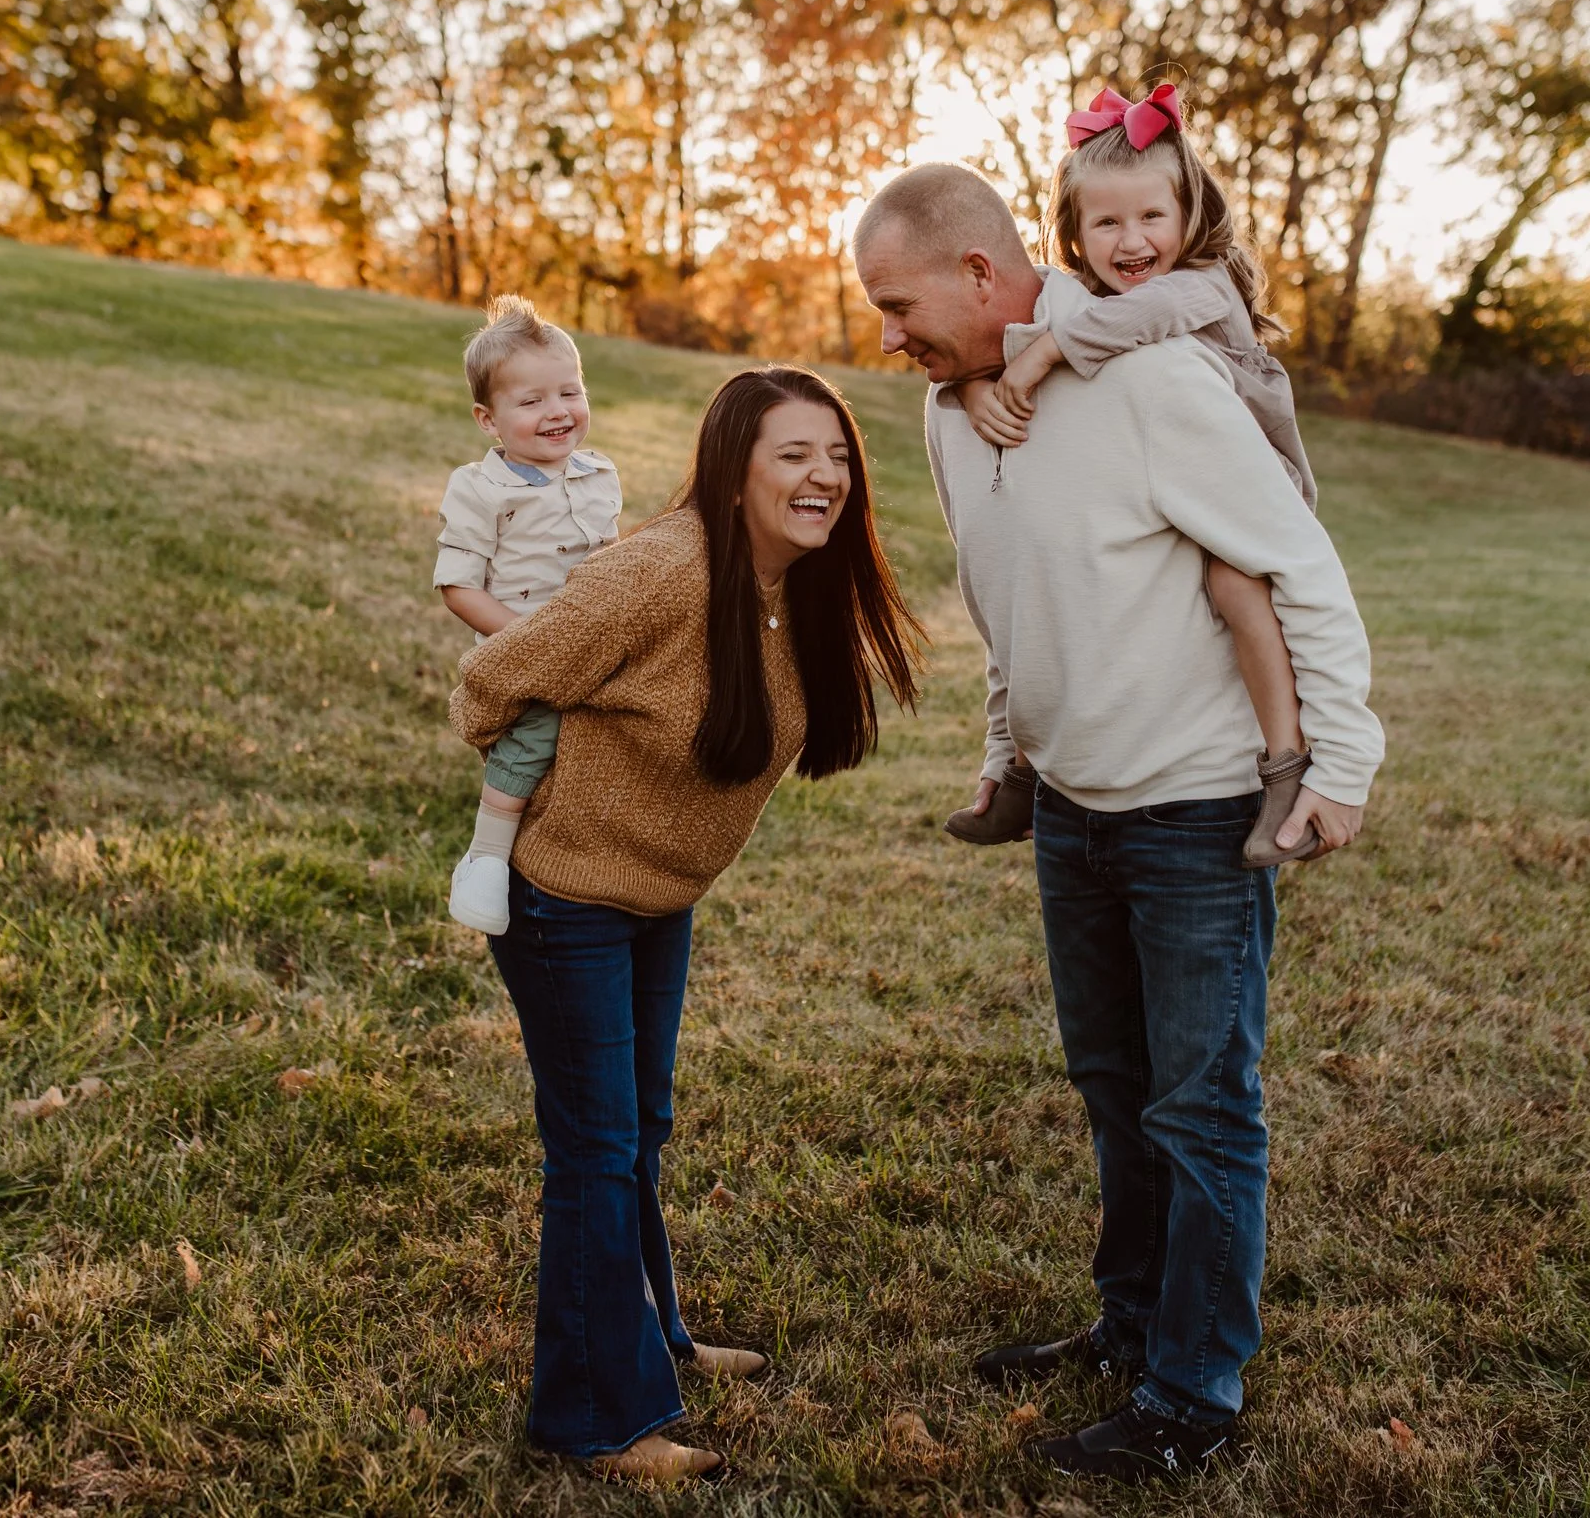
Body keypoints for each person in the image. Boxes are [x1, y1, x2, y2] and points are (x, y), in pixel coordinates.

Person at [854, 162, 1383, 1485]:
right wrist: (1003, 753)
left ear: (981, 273)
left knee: (1202, 1106)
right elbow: (1009, 601)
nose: (885, 333)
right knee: (1114, 1088)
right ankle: (1132, 1322)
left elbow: (1294, 561)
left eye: (896, 301)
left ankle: (1193, 1388)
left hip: (1198, 814)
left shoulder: (1152, 379)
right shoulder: (952, 415)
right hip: (1073, 815)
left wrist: (1344, 757)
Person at [450, 366, 923, 1481]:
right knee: (597, 1153)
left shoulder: (791, 584)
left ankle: (652, 1333)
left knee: (639, 1134)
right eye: (794, 455)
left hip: (656, 900)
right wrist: (537, 776)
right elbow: (489, 679)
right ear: (733, 466)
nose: (824, 478)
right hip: (563, 898)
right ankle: (586, 1418)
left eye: (838, 456)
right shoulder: (659, 573)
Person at [940, 83, 1322, 869]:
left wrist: (1045, 353)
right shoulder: (1083, 300)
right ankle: (1021, 764)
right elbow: (990, 330)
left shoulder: (1198, 285)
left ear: (1188, 216)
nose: (1132, 238)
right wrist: (968, 384)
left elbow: (1123, 324)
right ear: (1076, 236)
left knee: (1235, 588)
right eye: (1106, 222)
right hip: (1170, 481)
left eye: (1152, 216)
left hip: (1254, 485)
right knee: (1051, 583)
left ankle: (1285, 762)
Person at [432, 296, 622, 936]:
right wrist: (532, 641)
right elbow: (458, 585)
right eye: (532, 400)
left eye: (569, 391)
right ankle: (486, 854)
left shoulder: (599, 473)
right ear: (488, 419)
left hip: (596, 635)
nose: (558, 411)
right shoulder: (480, 489)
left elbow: (611, 558)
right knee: (540, 728)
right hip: (520, 641)